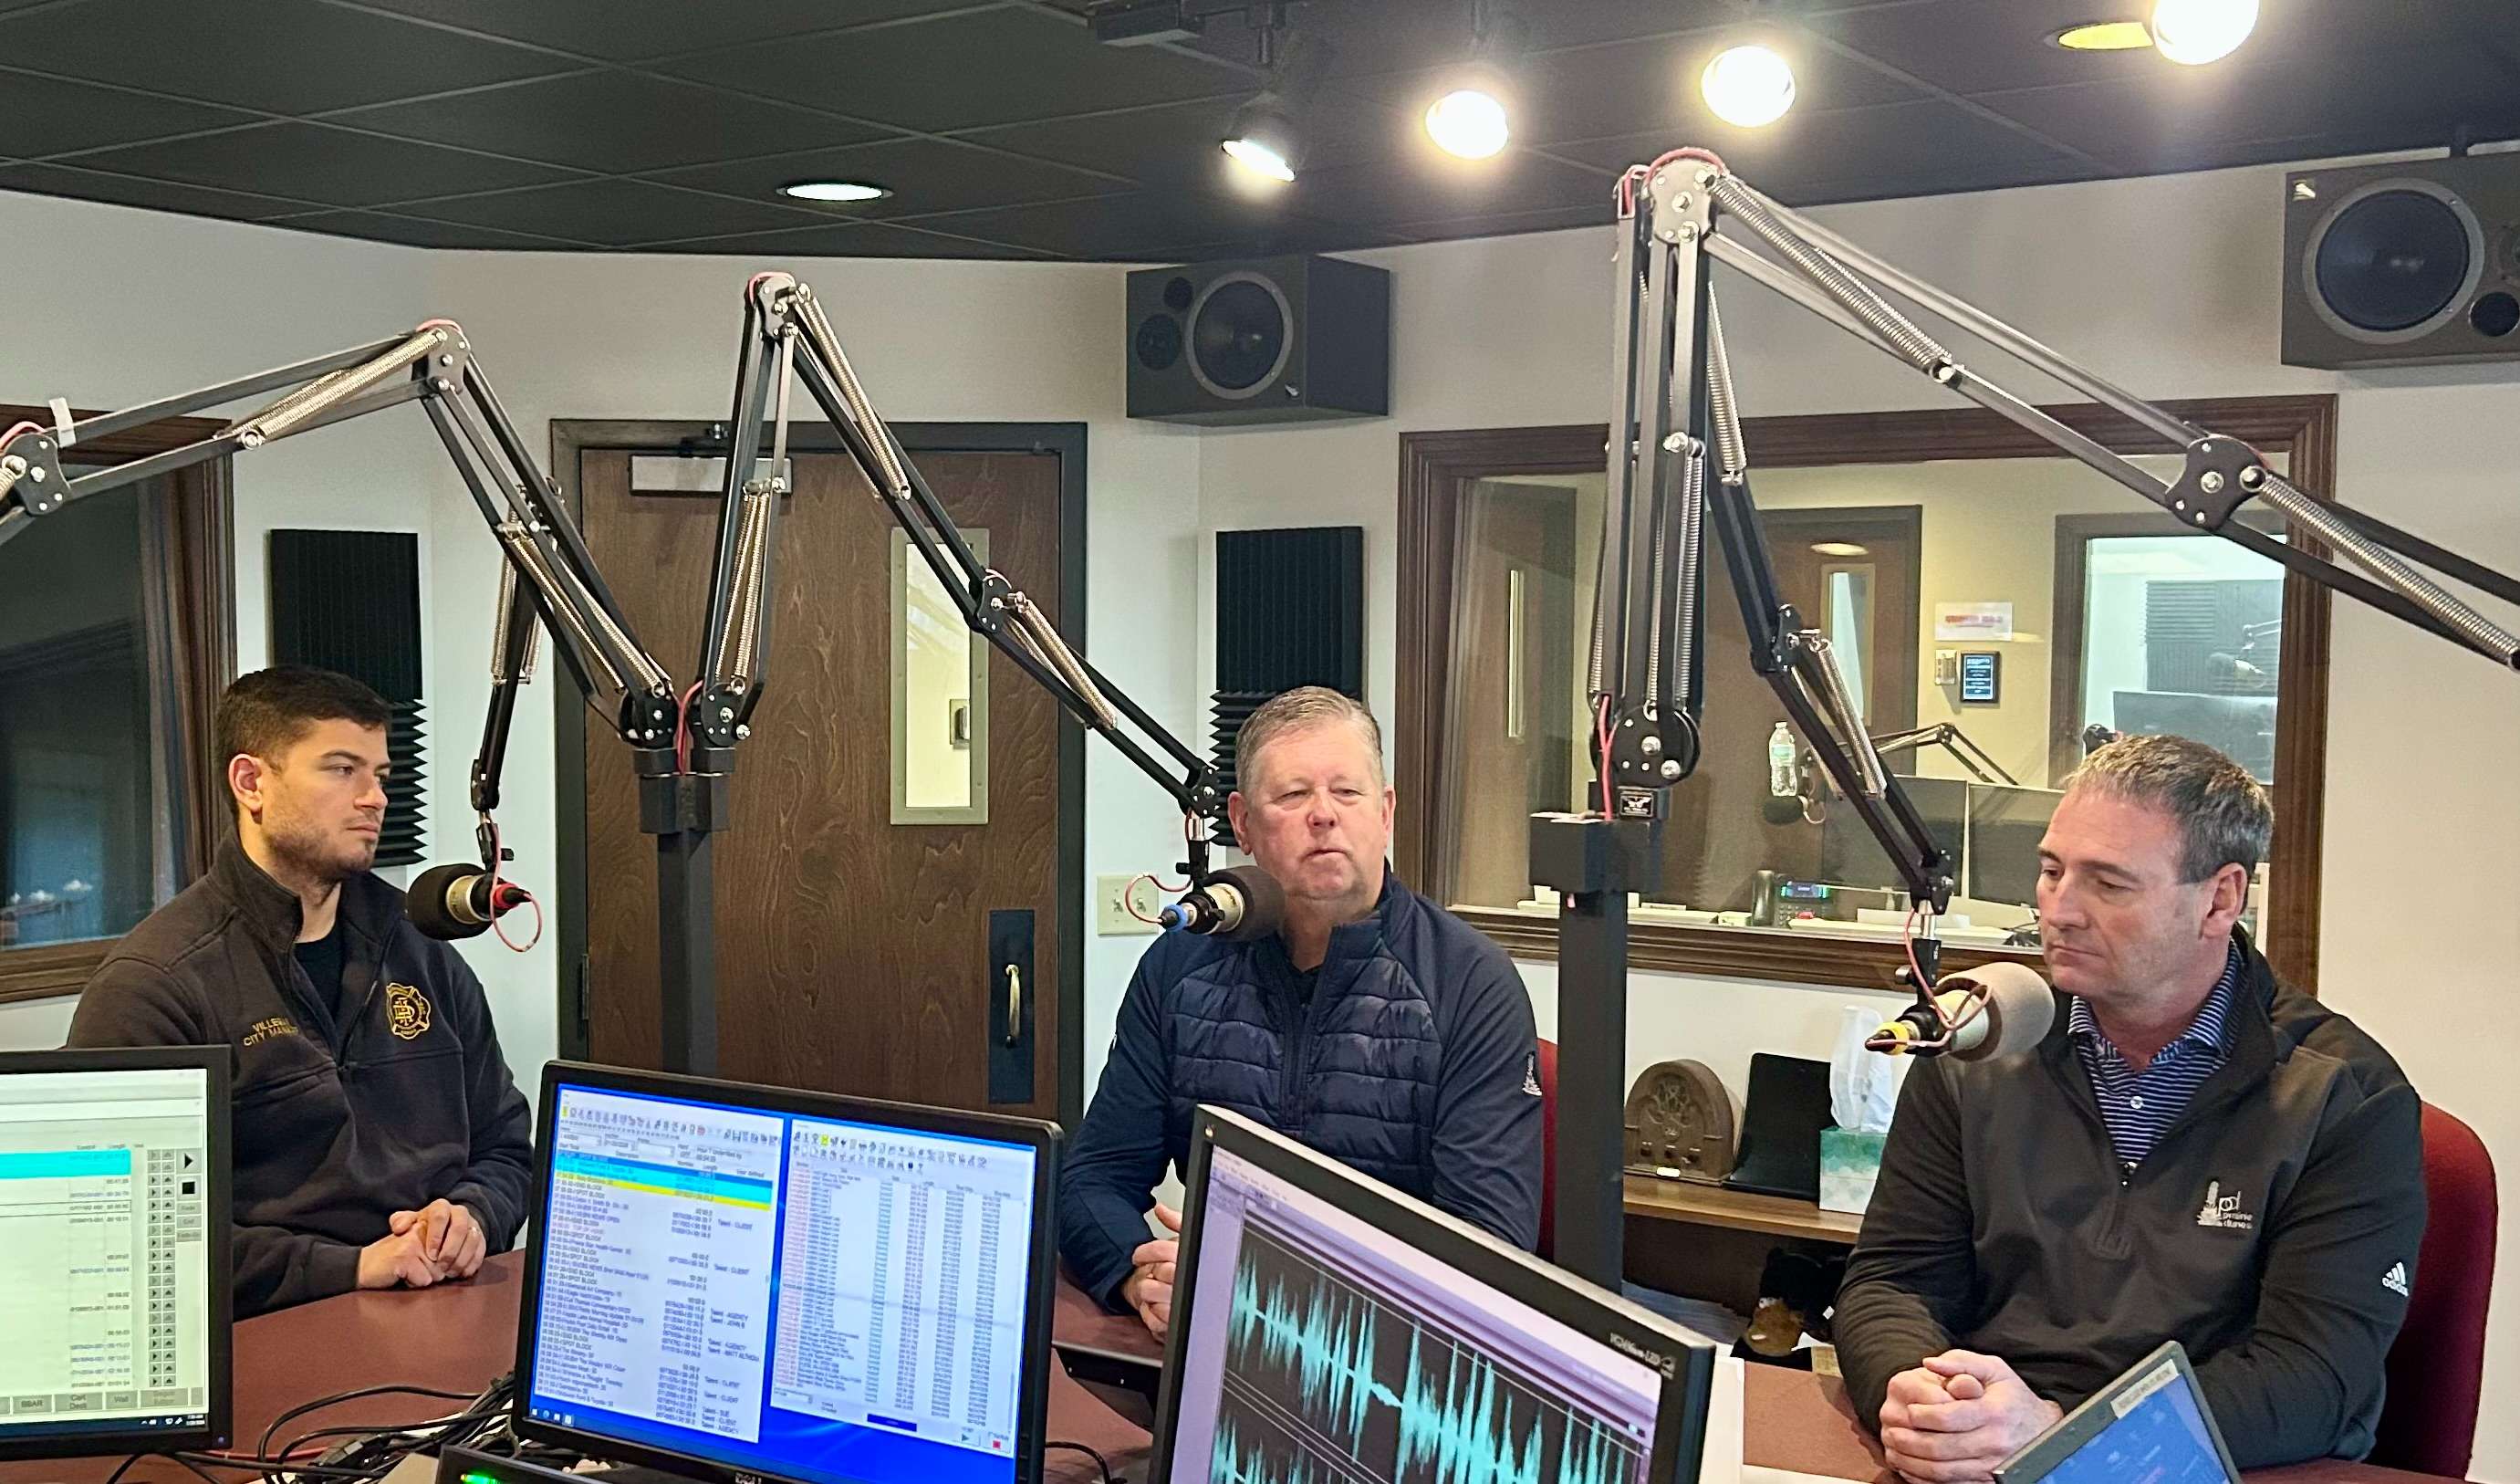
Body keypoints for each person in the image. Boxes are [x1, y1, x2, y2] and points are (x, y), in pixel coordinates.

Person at [1836, 735, 2423, 1479]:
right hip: (1988, 1448)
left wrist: (2062, 1435)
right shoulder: (1980, 1047)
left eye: (2108, 884)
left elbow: (2313, 1376)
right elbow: (1893, 1280)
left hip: (2194, 1465)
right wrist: (1917, 1398)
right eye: (2052, 871)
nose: (2060, 911)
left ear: (2221, 899)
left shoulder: (2345, 1096)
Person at [1059, 686, 1543, 1340]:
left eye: (1347, 792)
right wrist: (1140, 1277)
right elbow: (1093, 1180)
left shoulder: (1470, 981)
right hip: (1209, 1343)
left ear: (1386, 812)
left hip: (1386, 1357)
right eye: (1292, 795)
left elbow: (1490, 1246)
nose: (1323, 816)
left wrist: (1255, 1291)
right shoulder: (1179, 966)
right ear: (1242, 823)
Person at [70, 666, 534, 1317]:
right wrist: (355, 1267)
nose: (374, 798)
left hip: (446, 1306)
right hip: (280, 1329)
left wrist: (473, 1216)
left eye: (381, 776)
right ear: (251, 782)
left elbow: (506, 1146)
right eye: (342, 770)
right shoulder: (155, 985)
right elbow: (124, 1235)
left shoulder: (420, 947)